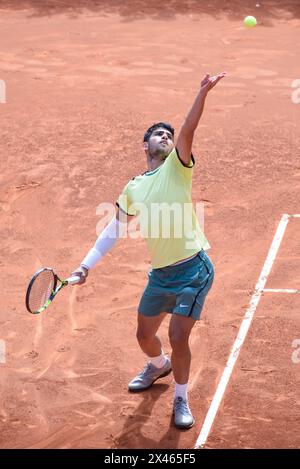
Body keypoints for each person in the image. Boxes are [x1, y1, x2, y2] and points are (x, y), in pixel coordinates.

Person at [71, 72, 226, 429]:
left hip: (193, 270)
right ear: (145, 146)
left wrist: (202, 93)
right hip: (161, 275)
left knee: (176, 335)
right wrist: (85, 265)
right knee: (144, 335)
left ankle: (181, 398)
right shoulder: (134, 187)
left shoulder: (178, 167)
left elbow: (188, 129)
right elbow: (114, 229)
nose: (166, 137)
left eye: (168, 136)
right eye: (159, 134)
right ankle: (159, 367)